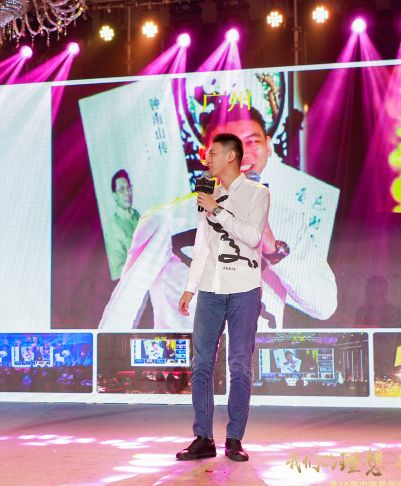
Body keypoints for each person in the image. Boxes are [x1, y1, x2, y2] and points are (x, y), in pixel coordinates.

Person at [99, 106, 338, 331]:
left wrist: (272, 249)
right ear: (206, 155)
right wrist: (109, 358)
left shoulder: (289, 221)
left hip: (258, 359)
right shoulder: (168, 219)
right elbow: (125, 302)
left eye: (252, 141)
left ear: (268, 147)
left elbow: (324, 306)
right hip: (187, 359)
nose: (241, 154)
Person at [176, 133, 269, 462]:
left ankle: (234, 439)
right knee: (201, 363)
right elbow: (202, 246)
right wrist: (190, 287)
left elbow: (253, 237)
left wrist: (217, 210)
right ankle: (203, 437)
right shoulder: (208, 194)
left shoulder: (257, 193)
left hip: (244, 288)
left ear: (231, 156)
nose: (208, 159)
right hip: (210, 289)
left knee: (239, 365)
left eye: (213, 153)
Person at [104, 169, 141, 280]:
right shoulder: (113, 227)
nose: (127, 193)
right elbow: (117, 271)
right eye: (121, 190)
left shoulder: (136, 215)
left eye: (129, 188)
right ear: (114, 195)